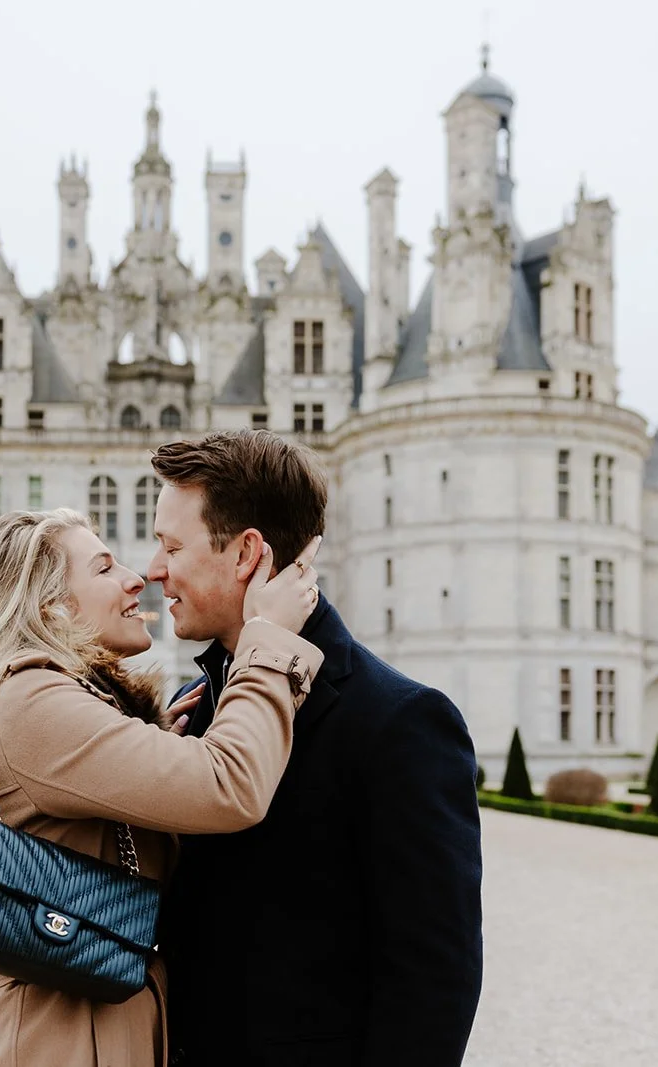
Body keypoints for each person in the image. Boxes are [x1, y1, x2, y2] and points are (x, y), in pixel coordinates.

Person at [0, 507, 324, 1067]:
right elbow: (231, 784)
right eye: (105, 568)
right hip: (53, 1043)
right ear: (50, 605)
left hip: (69, 1034)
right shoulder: (34, 703)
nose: (137, 577)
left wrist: (152, 738)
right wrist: (269, 642)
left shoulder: (33, 700)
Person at [149, 430, 484, 1067]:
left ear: (247, 553)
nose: (153, 569)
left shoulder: (401, 722)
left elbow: (434, 980)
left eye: (170, 546)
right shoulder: (197, 704)